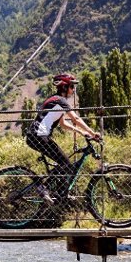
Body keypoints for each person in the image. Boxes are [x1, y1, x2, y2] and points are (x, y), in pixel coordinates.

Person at [25, 73, 100, 203]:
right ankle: (44, 188)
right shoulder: (60, 100)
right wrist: (92, 133)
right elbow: (75, 118)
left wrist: (82, 133)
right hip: (39, 136)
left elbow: (63, 123)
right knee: (66, 164)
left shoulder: (55, 100)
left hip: (37, 136)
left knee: (64, 164)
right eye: (72, 86)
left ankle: (60, 193)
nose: (73, 89)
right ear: (64, 87)